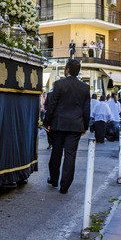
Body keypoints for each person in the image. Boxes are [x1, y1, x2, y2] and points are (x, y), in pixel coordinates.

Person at [42, 59, 90, 194]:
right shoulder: (84, 87)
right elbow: (87, 109)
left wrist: (47, 122)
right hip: (75, 125)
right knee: (70, 155)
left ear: (67, 69)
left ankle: (54, 179)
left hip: (59, 124)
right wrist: (85, 126)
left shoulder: (59, 84)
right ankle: (65, 186)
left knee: (56, 152)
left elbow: (52, 105)